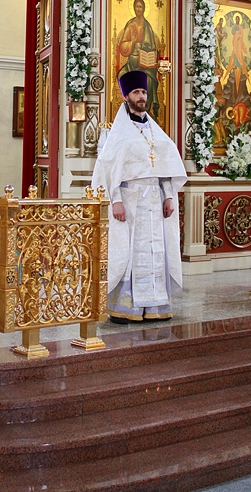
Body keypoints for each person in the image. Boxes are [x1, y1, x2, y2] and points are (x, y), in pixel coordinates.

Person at [92, 69, 186, 323]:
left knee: (156, 249)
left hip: (155, 201)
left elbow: (166, 169)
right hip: (130, 202)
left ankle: (155, 306)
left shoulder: (156, 131)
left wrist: (169, 196)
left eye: (144, 91)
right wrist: (116, 201)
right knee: (130, 251)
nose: (142, 96)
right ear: (126, 97)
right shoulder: (119, 134)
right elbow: (108, 170)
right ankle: (127, 307)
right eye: (136, 92)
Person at [117, 0, 160, 120]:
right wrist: (132, 42)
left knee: (150, 81)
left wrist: (152, 55)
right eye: (137, 6)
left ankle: (149, 111)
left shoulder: (148, 26)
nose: (139, 9)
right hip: (133, 62)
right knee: (122, 76)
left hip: (147, 63)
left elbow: (153, 46)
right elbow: (123, 46)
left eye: (143, 92)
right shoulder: (131, 25)